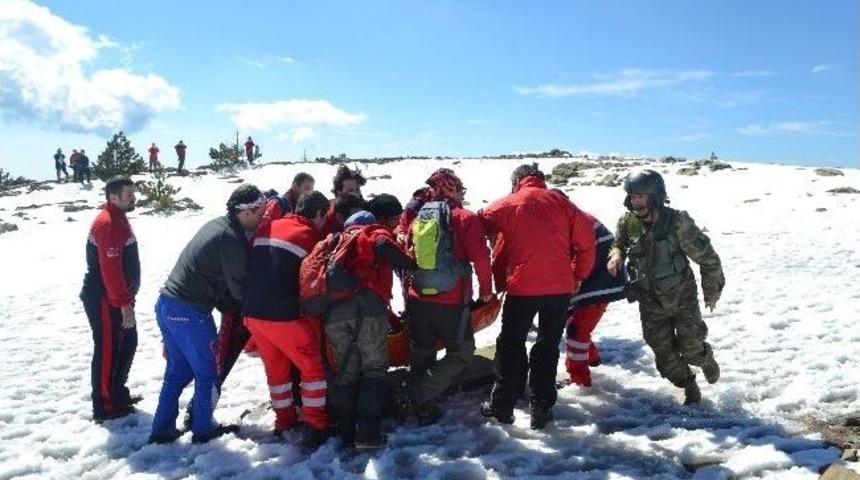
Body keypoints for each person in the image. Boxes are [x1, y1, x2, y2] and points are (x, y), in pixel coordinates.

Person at [478, 163, 595, 429]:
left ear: (517, 181)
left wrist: (494, 281)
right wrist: (578, 274)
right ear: (540, 180)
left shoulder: (508, 203)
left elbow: (481, 226)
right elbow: (586, 241)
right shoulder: (563, 203)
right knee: (547, 345)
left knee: (511, 343)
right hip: (559, 289)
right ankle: (541, 407)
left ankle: (502, 406)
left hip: (522, 288)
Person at [149, 184, 265, 444]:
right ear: (245, 212)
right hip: (190, 312)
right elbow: (239, 288)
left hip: (167, 304)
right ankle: (203, 429)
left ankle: (162, 429)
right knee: (208, 372)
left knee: (177, 372)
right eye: (259, 213)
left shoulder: (217, 225)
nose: (262, 219)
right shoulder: (231, 238)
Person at [607, 169, 724, 405]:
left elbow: (709, 259)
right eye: (632, 196)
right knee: (664, 354)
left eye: (640, 196)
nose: (635, 201)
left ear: (655, 196)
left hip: (681, 296)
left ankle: (706, 359)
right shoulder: (627, 222)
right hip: (649, 299)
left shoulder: (677, 222)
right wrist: (616, 255)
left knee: (690, 347)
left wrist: (711, 293)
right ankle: (688, 384)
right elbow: (617, 243)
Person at [241, 190, 332, 450]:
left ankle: (284, 421)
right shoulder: (311, 237)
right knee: (312, 369)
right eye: (323, 217)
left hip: (253, 315)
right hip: (285, 315)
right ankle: (316, 424)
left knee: (276, 371)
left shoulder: (268, 226)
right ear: (316, 213)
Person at [325, 195, 416, 450]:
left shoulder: (335, 240)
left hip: (334, 315)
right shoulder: (372, 232)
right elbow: (395, 255)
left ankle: (345, 433)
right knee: (374, 370)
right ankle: (367, 435)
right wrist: (414, 265)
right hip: (368, 312)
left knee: (345, 373)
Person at [403, 169, 492, 426]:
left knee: (422, 350)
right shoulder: (464, 217)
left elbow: (408, 255)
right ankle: (417, 394)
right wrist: (487, 289)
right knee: (462, 351)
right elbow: (481, 258)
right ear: (454, 189)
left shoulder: (420, 216)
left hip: (418, 298)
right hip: (452, 301)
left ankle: (423, 407)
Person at [80, 176, 140, 422]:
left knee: (127, 343)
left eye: (133, 193)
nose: (133, 197)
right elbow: (111, 270)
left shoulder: (118, 218)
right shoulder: (108, 224)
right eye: (128, 194)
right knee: (108, 350)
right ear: (112, 197)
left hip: (115, 297)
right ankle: (105, 406)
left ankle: (117, 393)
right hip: (105, 298)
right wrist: (124, 304)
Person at [561, 206, 627, 387]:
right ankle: (592, 358)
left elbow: (578, 256)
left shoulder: (573, 222)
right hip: (591, 280)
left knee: (576, 330)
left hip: (599, 282)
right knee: (572, 322)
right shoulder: (571, 217)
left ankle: (579, 381)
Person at [321, 165, 366, 236]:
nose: (355, 194)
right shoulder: (327, 214)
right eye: (350, 190)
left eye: (357, 190)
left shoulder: (366, 209)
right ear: (339, 191)